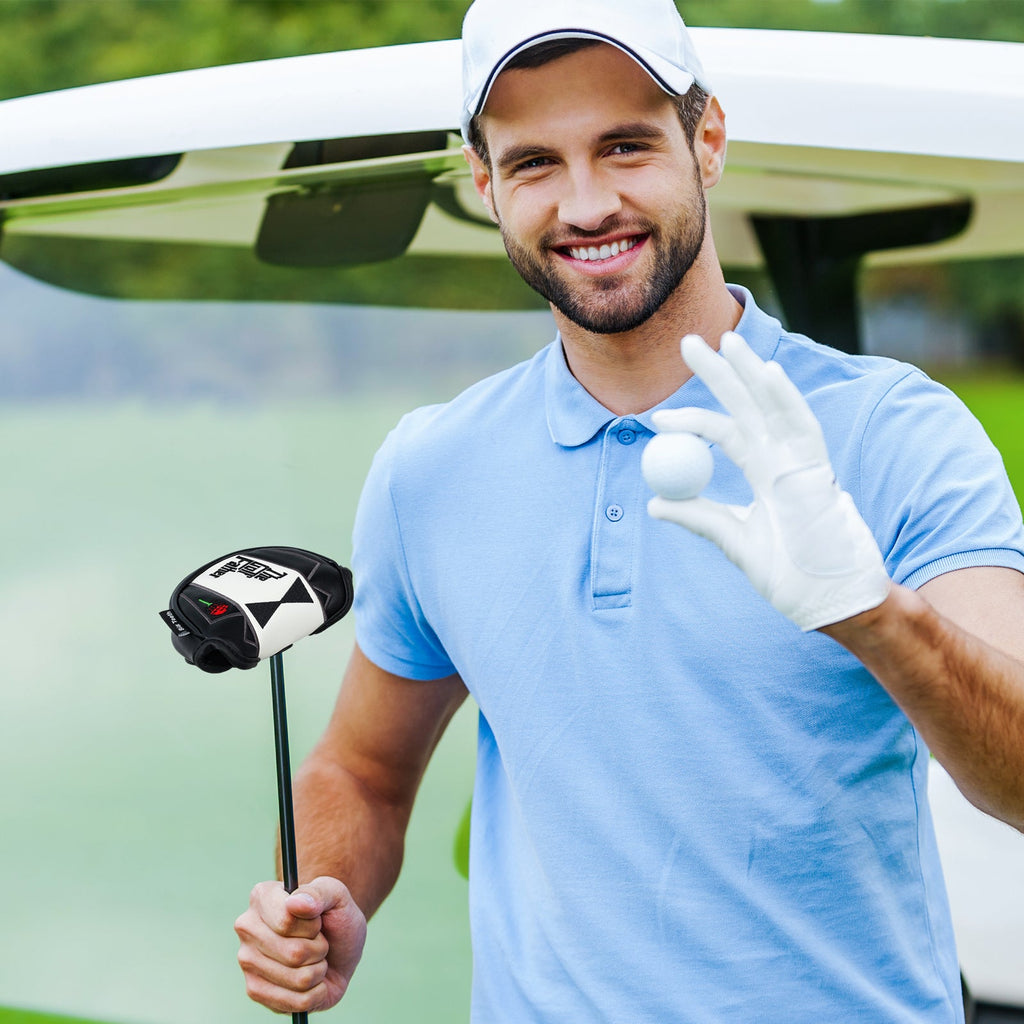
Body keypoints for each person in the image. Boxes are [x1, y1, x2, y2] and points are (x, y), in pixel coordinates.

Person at [234, 0, 1024, 1019]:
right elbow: (362, 768)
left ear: (708, 140)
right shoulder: (429, 468)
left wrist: (877, 618)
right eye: (534, 163)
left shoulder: (893, 430)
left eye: (625, 147)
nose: (587, 203)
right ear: (484, 183)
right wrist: (321, 892)